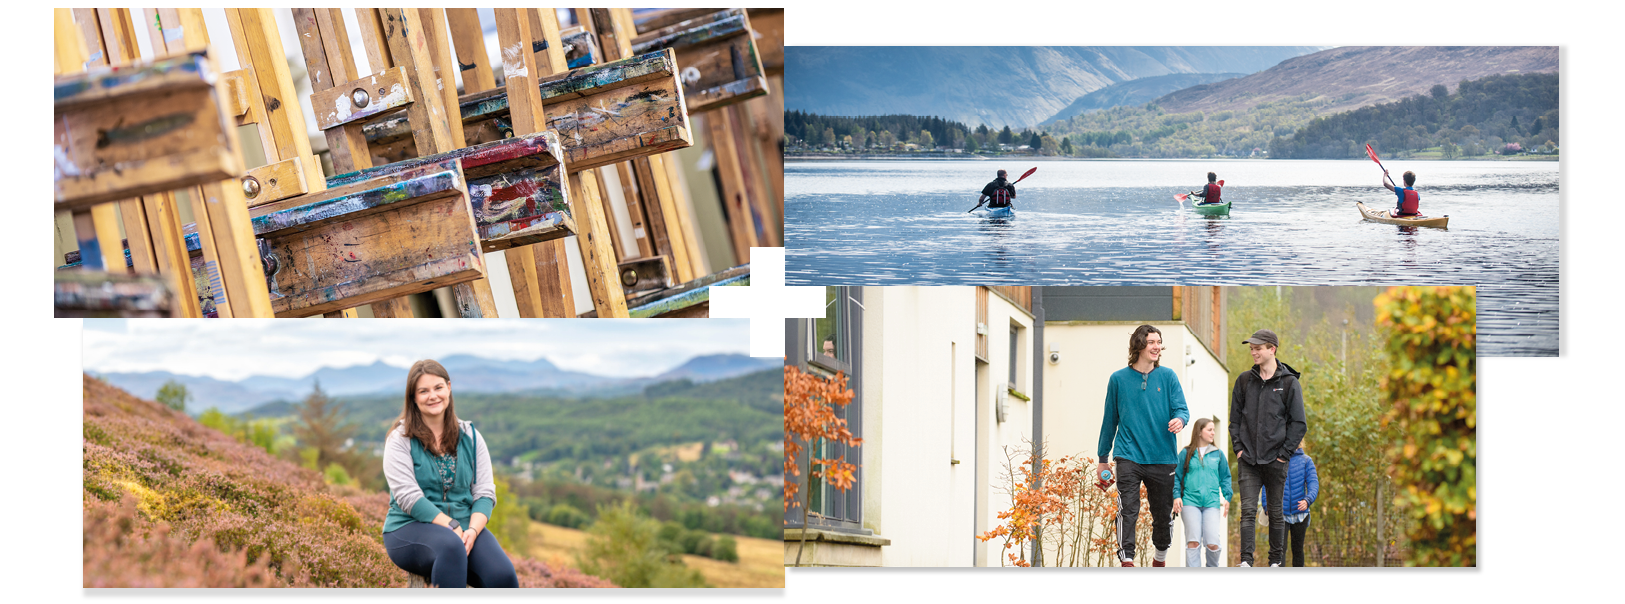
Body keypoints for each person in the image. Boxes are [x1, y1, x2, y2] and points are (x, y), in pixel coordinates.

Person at [382, 359, 519, 588]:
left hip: (466, 526)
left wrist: (473, 530)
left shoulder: (472, 436)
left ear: (449, 387)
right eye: (423, 391)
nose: (432, 396)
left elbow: (484, 492)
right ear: (413, 398)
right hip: (409, 527)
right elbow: (408, 497)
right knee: (450, 547)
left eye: (438, 388)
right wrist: (452, 526)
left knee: (502, 577)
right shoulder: (400, 439)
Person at [1097, 325, 1189, 567]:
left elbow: (1182, 409)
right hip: (1128, 455)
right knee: (1128, 509)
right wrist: (1102, 458)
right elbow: (1110, 420)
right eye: (1151, 342)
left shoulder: (1168, 376)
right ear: (1139, 345)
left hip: (1162, 456)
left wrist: (1179, 420)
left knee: (1162, 515)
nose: (1157, 346)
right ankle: (1127, 559)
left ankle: (1160, 558)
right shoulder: (1118, 379)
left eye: (1159, 342)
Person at [1229, 329, 1307, 568]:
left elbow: (1299, 423)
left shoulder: (1289, 383)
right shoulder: (1244, 380)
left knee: (1275, 512)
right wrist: (1239, 449)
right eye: (1251, 348)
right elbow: (1234, 420)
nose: (1253, 352)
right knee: (1248, 511)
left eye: (1258, 348)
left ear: (1272, 349)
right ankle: (1246, 562)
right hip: (1249, 460)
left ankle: (1275, 563)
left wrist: (1284, 456)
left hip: (1276, 461)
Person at [1172, 417, 1232, 567]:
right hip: (1190, 502)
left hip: (1211, 503)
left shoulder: (1218, 454)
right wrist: (1176, 496)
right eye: (1210, 429)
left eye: (1214, 429)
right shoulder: (1186, 453)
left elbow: (1225, 477)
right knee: (1193, 542)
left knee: (1213, 543)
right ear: (1199, 432)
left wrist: (1227, 497)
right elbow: (1177, 477)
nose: (1213, 433)